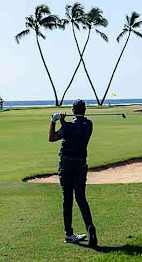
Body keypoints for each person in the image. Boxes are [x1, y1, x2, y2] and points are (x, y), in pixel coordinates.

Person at [49, 100, 98, 247]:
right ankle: (90, 227)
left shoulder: (68, 126)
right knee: (81, 198)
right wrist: (64, 122)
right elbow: (76, 129)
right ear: (85, 110)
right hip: (81, 164)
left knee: (68, 199)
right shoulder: (89, 125)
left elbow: (51, 138)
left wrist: (54, 121)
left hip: (66, 164)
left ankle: (69, 234)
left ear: (72, 109)